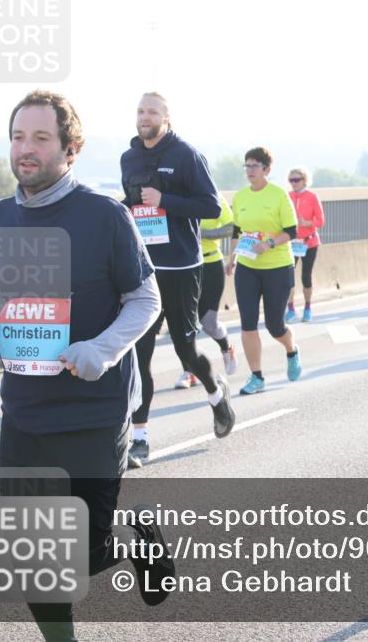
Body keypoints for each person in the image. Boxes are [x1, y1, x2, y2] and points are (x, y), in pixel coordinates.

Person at [0, 90, 174, 640]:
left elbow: (146, 298)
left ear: (70, 149)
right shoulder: (0, 217)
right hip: (25, 413)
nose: (27, 149)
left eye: (41, 138)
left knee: (84, 554)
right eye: (18, 137)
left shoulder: (104, 215)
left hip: (94, 412)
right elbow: (0, 295)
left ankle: (135, 540)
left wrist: (101, 349)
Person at [121, 92, 235, 469]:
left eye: (152, 111)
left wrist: (164, 199)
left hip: (182, 268)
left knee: (186, 351)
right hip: (144, 269)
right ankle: (139, 439)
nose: (145, 116)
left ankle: (215, 393)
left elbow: (211, 207)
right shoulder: (129, 158)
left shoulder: (187, 156)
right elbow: (133, 204)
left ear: (166, 117)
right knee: (140, 355)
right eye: (140, 111)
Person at [226, 147, 303, 393]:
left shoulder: (279, 195)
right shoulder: (241, 197)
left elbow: (291, 231)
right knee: (247, 324)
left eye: (254, 166)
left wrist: (269, 243)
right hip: (247, 267)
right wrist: (232, 258)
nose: (250, 170)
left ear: (266, 169)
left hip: (277, 267)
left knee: (274, 326)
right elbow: (237, 231)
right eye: (247, 166)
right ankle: (257, 377)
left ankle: (291, 349)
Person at [175, 193, 239, 389]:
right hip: (184, 266)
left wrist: (201, 233)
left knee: (209, 323)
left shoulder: (213, 197)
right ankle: (189, 371)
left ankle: (226, 348)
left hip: (211, 264)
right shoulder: (175, 197)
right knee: (184, 322)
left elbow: (231, 228)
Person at [285, 167, 325, 322]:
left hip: (309, 242)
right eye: (291, 180)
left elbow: (320, 221)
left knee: (306, 276)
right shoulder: (287, 196)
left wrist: (306, 223)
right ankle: (290, 309)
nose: (294, 183)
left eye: (297, 180)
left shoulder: (312, 196)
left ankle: (307, 307)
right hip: (291, 243)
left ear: (304, 180)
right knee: (288, 276)